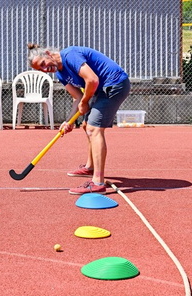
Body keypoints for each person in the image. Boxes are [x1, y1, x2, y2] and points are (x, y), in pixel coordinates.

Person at [27, 43, 130, 195]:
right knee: (86, 125)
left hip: (114, 84)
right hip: (100, 90)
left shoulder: (70, 55)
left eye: (43, 64)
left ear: (48, 54)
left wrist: (84, 102)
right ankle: (90, 167)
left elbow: (92, 80)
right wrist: (68, 122)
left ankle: (97, 182)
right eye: (40, 69)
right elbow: (78, 97)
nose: (45, 69)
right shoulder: (60, 74)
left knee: (93, 129)